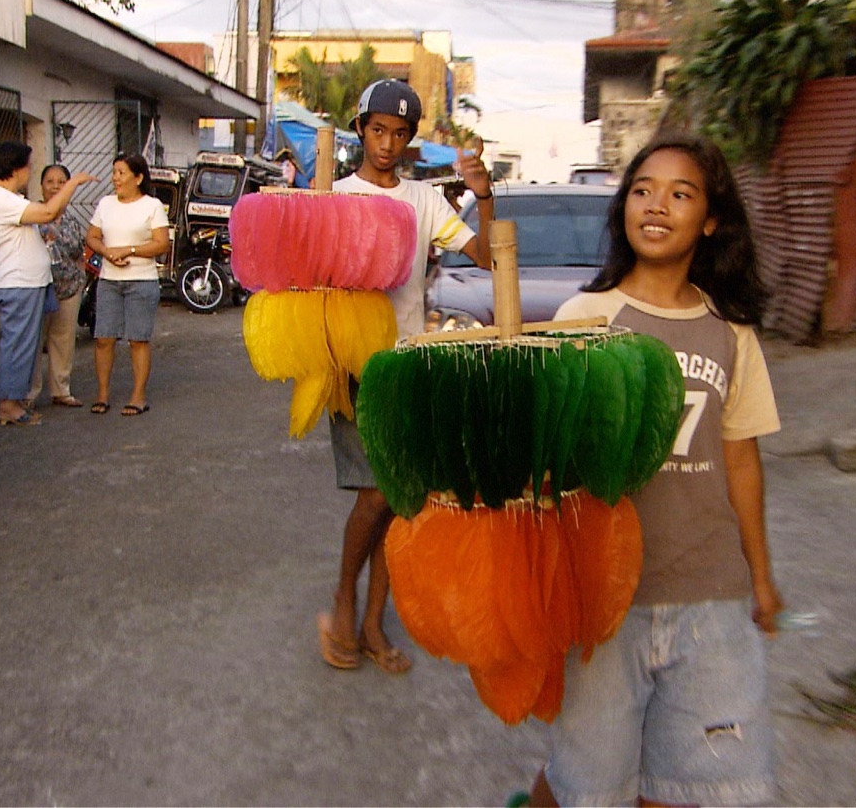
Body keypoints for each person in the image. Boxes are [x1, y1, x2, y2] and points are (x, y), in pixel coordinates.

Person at [528, 131, 784, 807]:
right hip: (607, 599)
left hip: (710, 595)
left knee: (686, 785)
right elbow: (549, 461)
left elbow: (741, 457)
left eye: (681, 193)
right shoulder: (585, 319)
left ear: (712, 219)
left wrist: (759, 575)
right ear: (624, 209)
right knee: (583, 780)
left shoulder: (730, 332)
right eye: (642, 189)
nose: (657, 204)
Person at [317, 79, 495, 672]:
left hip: (410, 365)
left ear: (410, 140)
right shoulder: (332, 194)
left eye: (399, 134)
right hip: (354, 365)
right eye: (377, 130)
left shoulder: (424, 201)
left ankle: (372, 623)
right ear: (360, 129)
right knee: (374, 494)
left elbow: (488, 255)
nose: (387, 143)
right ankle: (346, 599)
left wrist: (483, 197)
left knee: (400, 499)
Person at [0, 141, 94, 426]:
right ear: (16, 168)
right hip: (18, 283)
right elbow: (47, 214)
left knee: (28, 343)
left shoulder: (12, 199)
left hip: (32, 282)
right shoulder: (2, 200)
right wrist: (74, 183)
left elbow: (53, 218)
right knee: (19, 344)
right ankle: (10, 403)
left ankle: (16, 399)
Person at [84, 152, 169, 416]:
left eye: (121, 173)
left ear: (138, 177)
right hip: (109, 280)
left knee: (138, 340)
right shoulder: (106, 204)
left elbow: (161, 244)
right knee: (104, 338)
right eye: (114, 172)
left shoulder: (152, 205)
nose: (115, 178)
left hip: (141, 282)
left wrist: (129, 250)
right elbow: (93, 237)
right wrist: (108, 253)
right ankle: (102, 394)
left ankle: (138, 396)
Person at [25, 164, 88, 408]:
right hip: (38, 287)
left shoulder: (72, 220)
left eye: (61, 182)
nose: (55, 186)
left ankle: (60, 390)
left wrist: (80, 278)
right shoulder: (32, 214)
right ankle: (28, 393)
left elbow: (78, 252)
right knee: (33, 340)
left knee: (63, 340)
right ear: (41, 185)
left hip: (69, 287)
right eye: (50, 181)